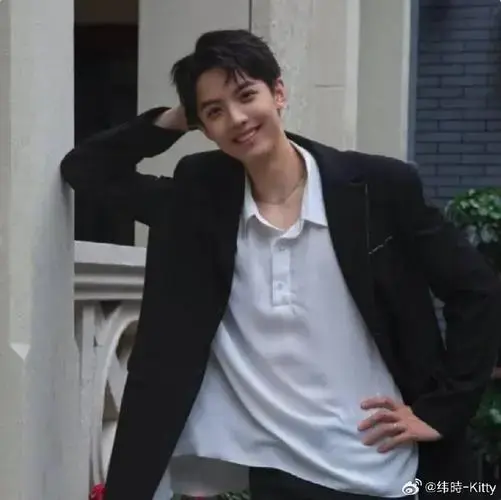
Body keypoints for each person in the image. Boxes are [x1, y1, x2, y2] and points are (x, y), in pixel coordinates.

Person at [60, 29, 501, 500]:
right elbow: (87, 171)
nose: (236, 118)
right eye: (214, 111)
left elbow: (477, 290)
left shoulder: (376, 187)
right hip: (278, 468)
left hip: (390, 464)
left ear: (279, 93)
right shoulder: (199, 203)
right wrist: (176, 118)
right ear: (203, 128)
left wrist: (442, 409)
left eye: (246, 95)